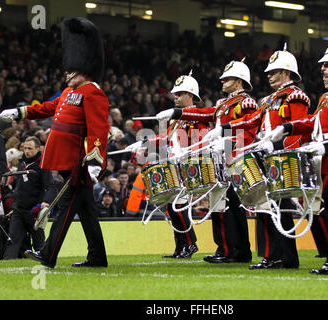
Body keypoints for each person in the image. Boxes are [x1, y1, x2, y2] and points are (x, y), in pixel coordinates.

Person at [0, 17, 110, 268]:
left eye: (71, 68)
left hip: (79, 162)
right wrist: (20, 112)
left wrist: (95, 159)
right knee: (86, 210)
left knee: (67, 207)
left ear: (84, 68)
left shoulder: (93, 92)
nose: (66, 72)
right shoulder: (71, 92)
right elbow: (49, 108)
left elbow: (98, 128)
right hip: (66, 159)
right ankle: (97, 257)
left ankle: (48, 254)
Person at [206, 45, 309, 269]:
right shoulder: (270, 100)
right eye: (269, 72)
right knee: (266, 207)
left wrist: (280, 147)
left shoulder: (296, 96)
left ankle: (284, 256)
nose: (269, 76)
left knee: (278, 207)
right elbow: (251, 122)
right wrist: (225, 128)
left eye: (275, 72)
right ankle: (274, 256)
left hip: (282, 157)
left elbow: (299, 128)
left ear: (288, 73)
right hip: (266, 156)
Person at [268, 38, 328, 274]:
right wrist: (288, 128)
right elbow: (314, 122)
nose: (322, 68)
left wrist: (324, 147)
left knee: (315, 206)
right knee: (327, 210)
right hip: (323, 160)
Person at [156, 58, 259, 263]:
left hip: (236, 156)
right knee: (222, 205)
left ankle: (234, 250)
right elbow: (204, 113)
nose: (222, 81)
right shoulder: (223, 104)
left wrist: (229, 142)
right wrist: (178, 112)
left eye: (227, 78)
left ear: (238, 81)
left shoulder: (245, 102)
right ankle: (228, 249)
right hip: (223, 158)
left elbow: (249, 130)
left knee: (231, 206)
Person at [131, 72, 204, 258]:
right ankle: (181, 246)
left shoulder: (198, 116)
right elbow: (166, 139)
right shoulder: (175, 118)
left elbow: (200, 141)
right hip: (175, 166)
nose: (175, 97)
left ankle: (189, 244)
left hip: (188, 166)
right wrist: (145, 142)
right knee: (172, 207)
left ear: (190, 95)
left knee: (177, 207)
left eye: (179, 93)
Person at [3, 136, 56, 259]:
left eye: (30, 148)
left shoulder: (43, 165)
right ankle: (7, 263)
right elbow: (19, 186)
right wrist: (14, 204)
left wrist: (46, 202)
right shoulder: (23, 163)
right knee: (13, 240)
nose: (26, 151)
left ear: (38, 149)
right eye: (25, 148)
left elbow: (51, 186)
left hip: (34, 211)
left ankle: (43, 261)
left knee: (38, 242)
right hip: (18, 209)